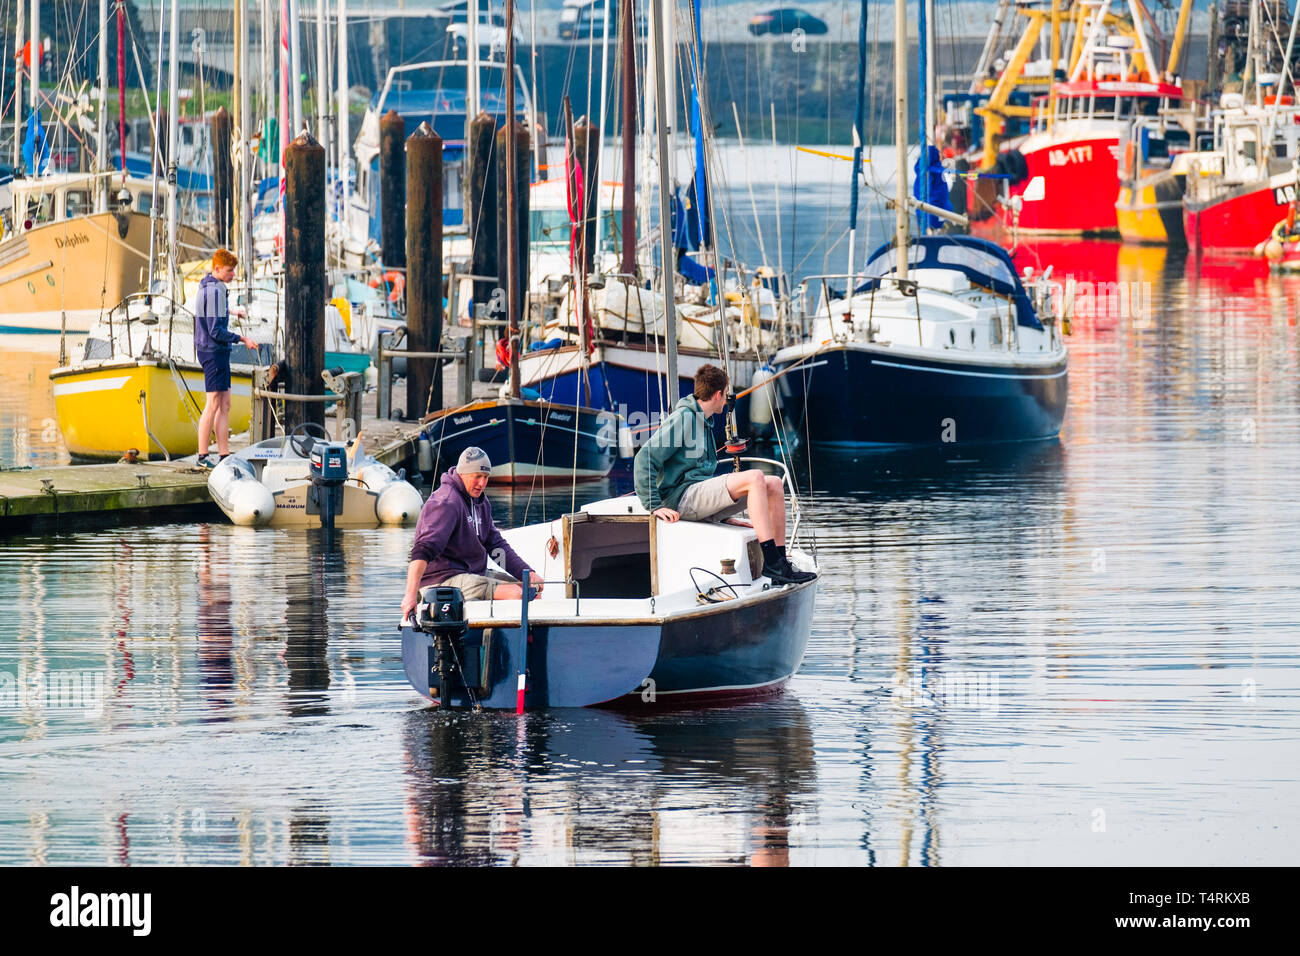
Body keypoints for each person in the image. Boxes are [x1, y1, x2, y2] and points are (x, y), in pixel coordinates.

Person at [634, 364, 815, 585]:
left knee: (774, 483)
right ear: (719, 394)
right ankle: (771, 563)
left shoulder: (705, 422)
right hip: (681, 497)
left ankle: (780, 562)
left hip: (698, 496)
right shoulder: (684, 418)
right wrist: (654, 504)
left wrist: (722, 513)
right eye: (725, 394)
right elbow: (644, 458)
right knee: (754, 477)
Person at [400, 447, 544, 621]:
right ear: (462, 474)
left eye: (486, 477)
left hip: (473, 574)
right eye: (477, 477)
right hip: (442, 579)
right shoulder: (446, 502)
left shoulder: (481, 502)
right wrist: (410, 595)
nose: (482, 483)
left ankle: (528, 641)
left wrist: (527, 573)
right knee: (515, 594)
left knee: (530, 590)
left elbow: (496, 546)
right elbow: (423, 549)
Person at [195, 248, 256, 468]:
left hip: (217, 351)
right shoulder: (215, 291)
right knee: (212, 404)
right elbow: (215, 330)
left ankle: (223, 453)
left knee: (225, 403)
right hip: (212, 351)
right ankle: (202, 455)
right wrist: (242, 338)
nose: (233, 274)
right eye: (230, 271)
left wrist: (232, 312)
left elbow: (214, 312)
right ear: (218, 269)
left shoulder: (212, 286)